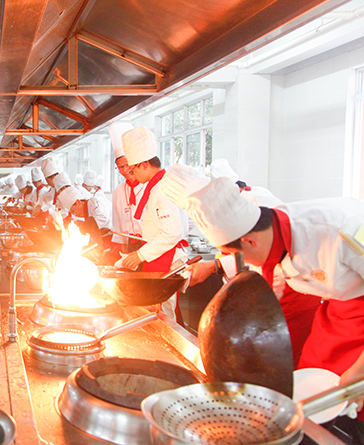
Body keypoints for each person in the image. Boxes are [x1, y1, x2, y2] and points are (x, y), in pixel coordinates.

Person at [180, 177, 364, 427]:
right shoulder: (271, 232)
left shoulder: (344, 230)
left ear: (250, 241)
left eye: (234, 255)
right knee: (311, 387)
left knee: (352, 393)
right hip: (336, 312)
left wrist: (360, 371)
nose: (241, 262)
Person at [162, 164, 320, 365]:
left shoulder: (255, 203)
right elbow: (248, 255)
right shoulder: (226, 217)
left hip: (290, 293)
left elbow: (259, 251)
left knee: (290, 356)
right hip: (264, 292)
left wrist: (215, 266)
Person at [120, 127, 189, 320]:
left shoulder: (161, 190)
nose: (132, 174)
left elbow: (172, 233)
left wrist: (140, 255)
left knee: (164, 314)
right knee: (157, 310)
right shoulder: (156, 187)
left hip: (167, 259)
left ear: (143, 165)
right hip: (158, 256)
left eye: (132, 169)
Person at [109, 122, 144, 254]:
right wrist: (122, 252)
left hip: (150, 243)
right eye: (119, 167)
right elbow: (117, 224)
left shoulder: (149, 185)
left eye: (126, 165)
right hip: (130, 244)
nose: (124, 170)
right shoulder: (118, 191)